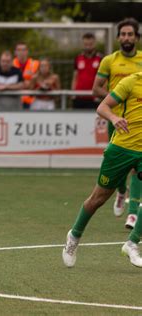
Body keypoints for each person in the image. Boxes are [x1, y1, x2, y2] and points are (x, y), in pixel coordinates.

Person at [62, 71, 142, 269]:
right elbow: (102, 107)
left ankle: (132, 244)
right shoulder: (131, 81)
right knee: (97, 199)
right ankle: (74, 235)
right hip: (121, 150)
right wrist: (114, 118)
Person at [92, 18, 142, 228]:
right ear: (118, 37)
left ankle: (132, 213)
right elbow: (96, 88)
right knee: (117, 164)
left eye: (130, 34)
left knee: (138, 167)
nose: (126, 38)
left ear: (137, 37)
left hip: (138, 121)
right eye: (123, 34)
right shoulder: (109, 60)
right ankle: (121, 191)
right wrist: (117, 97)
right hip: (116, 119)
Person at [71, 33, 103, 110]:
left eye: (90, 44)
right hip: (79, 96)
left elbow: (104, 80)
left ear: (94, 44)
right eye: (86, 44)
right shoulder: (78, 58)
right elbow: (75, 77)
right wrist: (73, 93)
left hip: (94, 97)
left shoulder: (100, 59)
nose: (88, 47)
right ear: (82, 44)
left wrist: (100, 95)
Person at [13, 42, 39, 109]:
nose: (21, 52)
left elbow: (38, 81)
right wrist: (26, 83)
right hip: (15, 99)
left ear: (27, 51)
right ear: (15, 52)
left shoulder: (35, 64)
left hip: (31, 101)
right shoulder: (11, 64)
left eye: (23, 50)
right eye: (19, 50)